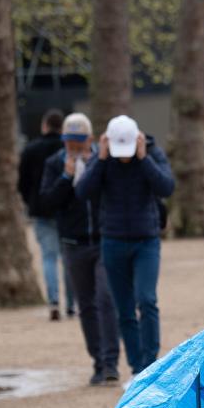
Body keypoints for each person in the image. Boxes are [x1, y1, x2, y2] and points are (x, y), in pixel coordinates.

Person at [75, 115, 175, 379]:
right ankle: (137, 368)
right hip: (113, 241)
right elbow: (83, 191)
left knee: (147, 299)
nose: (124, 157)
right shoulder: (103, 159)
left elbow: (167, 187)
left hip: (146, 241)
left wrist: (144, 159)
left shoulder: (151, 153)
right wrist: (101, 158)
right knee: (124, 308)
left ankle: (151, 363)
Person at [37, 113, 120, 386]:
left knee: (106, 299)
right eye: (69, 142)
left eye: (79, 142)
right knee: (86, 305)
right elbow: (47, 203)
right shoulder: (54, 163)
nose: (73, 147)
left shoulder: (103, 160)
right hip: (73, 243)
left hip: (103, 239)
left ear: (90, 140)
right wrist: (65, 177)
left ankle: (110, 362)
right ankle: (98, 362)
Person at [18, 108, 75, 320]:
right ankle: (71, 304)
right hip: (65, 210)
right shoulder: (66, 149)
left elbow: (22, 182)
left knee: (49, 258)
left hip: (41, 210)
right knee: (68, 257)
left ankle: (53, 301)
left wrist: (30, 201)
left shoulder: (30, 150)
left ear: (44, 126)